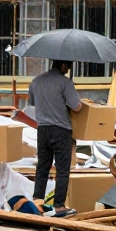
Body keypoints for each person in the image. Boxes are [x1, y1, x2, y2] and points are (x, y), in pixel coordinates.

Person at [28, 60, 83, 218]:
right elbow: (76, 106)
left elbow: (32, 103)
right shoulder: (65, 82)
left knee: (42, 168)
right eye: (69, 65)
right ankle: (59, 206)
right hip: (61, 130)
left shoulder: (36, 81)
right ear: (63, 66)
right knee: (62, 170)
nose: (69, 68)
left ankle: (37, 203)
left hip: (43, 129)